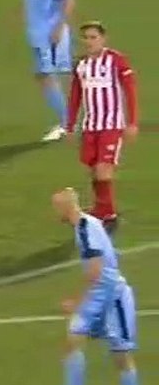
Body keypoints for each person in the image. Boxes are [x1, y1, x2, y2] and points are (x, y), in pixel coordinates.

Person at [41, 188, 139, 385]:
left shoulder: (85, 229)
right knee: (73, 339)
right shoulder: (86, 224)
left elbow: (95, 272)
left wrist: (76, 300)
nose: (55, 213)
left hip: (111, 295)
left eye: (57, 208)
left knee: (120, 353)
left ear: (66, 208)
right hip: (98, 293)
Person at [65, 22, 138, 234]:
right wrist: (70, 125)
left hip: (111, 125)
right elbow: (75, 97)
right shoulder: (81, 65)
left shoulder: (116, 60)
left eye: (93, 37)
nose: (89, 41)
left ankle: (109, 214)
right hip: (91, 126)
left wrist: (132, 121)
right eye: (85, 38)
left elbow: (130, 90)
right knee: (94, 169)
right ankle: (102, 210)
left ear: (103, 39)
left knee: (103, 169)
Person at [20, 0, 76, 143]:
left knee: (48, 75)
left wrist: (60, 27)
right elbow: (28, 0)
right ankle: (68, 120)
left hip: (50, 33)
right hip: (36, 34)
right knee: (45, 76)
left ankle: (66, 123)